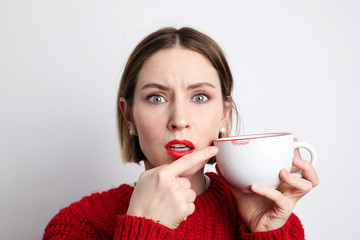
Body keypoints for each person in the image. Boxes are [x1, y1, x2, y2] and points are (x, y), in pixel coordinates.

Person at [43, 27, 319, 239]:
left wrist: (267, 234)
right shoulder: (78, 224)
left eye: (199, 97)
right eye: (156, 98)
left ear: (224, 114)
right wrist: (145, 229)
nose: (179, 120)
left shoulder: (272, 217)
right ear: (129, 116)